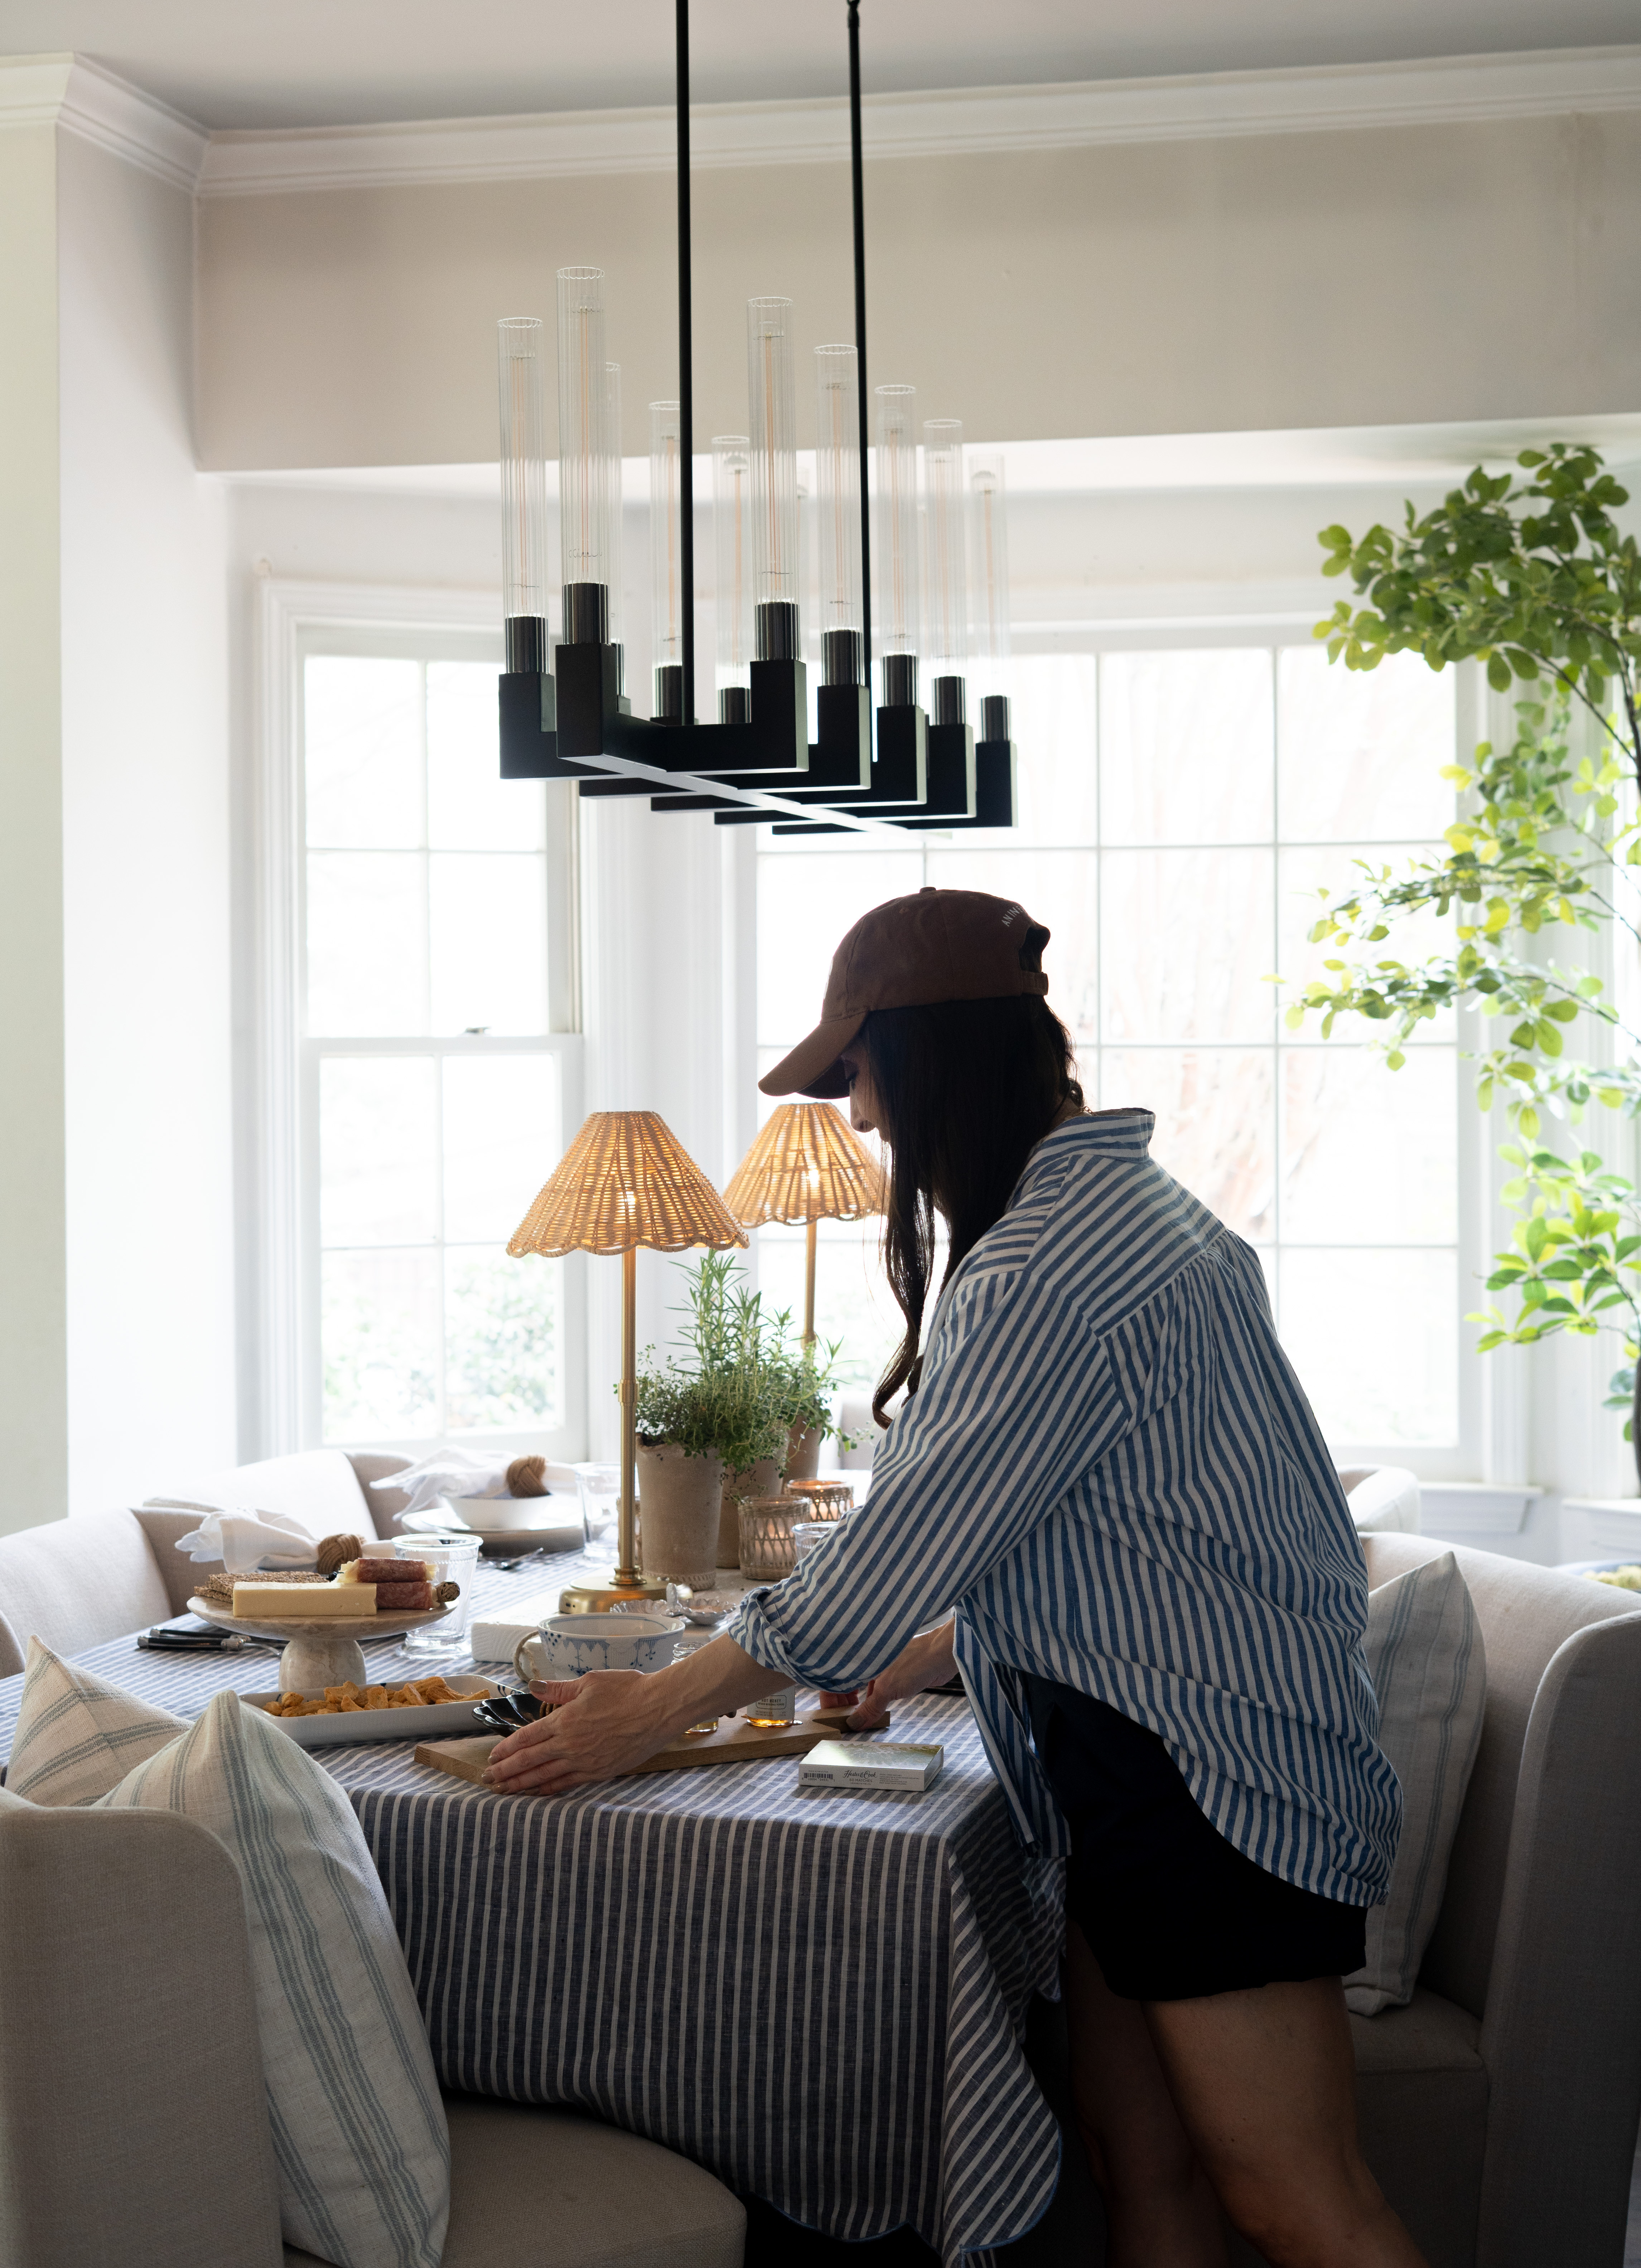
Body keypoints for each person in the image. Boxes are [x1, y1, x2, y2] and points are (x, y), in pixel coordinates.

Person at [488, 887, 1427, 2268]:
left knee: (1298, 2202)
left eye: (862, 1072)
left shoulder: (1045, 1268)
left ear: (931, 1063)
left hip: (1211, 1781)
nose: (862, 1116)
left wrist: (647, 1714)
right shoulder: (1132, 1213)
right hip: (1141, 1760)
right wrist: (929, 1653)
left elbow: (874, 1566)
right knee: (1140, 2163)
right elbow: (1105, 1532)